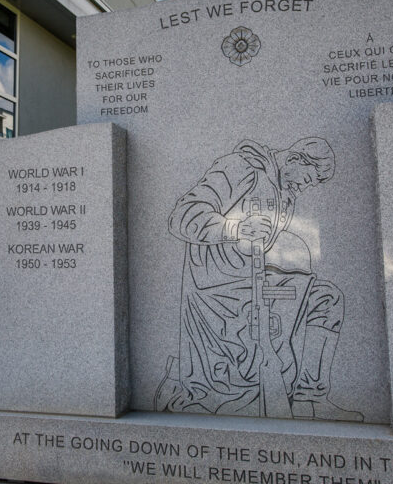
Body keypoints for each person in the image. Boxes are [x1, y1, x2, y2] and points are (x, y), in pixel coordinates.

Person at [155, 136, 362, 422]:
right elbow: (183, 216)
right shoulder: (240, 167)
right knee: (256, 369)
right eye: (307, 179)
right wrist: (235, 227)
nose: (305, 186)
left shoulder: (284, 191)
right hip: (218, 292)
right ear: (294, 160)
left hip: (256, 282)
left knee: (325, 299)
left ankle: (310, 398)